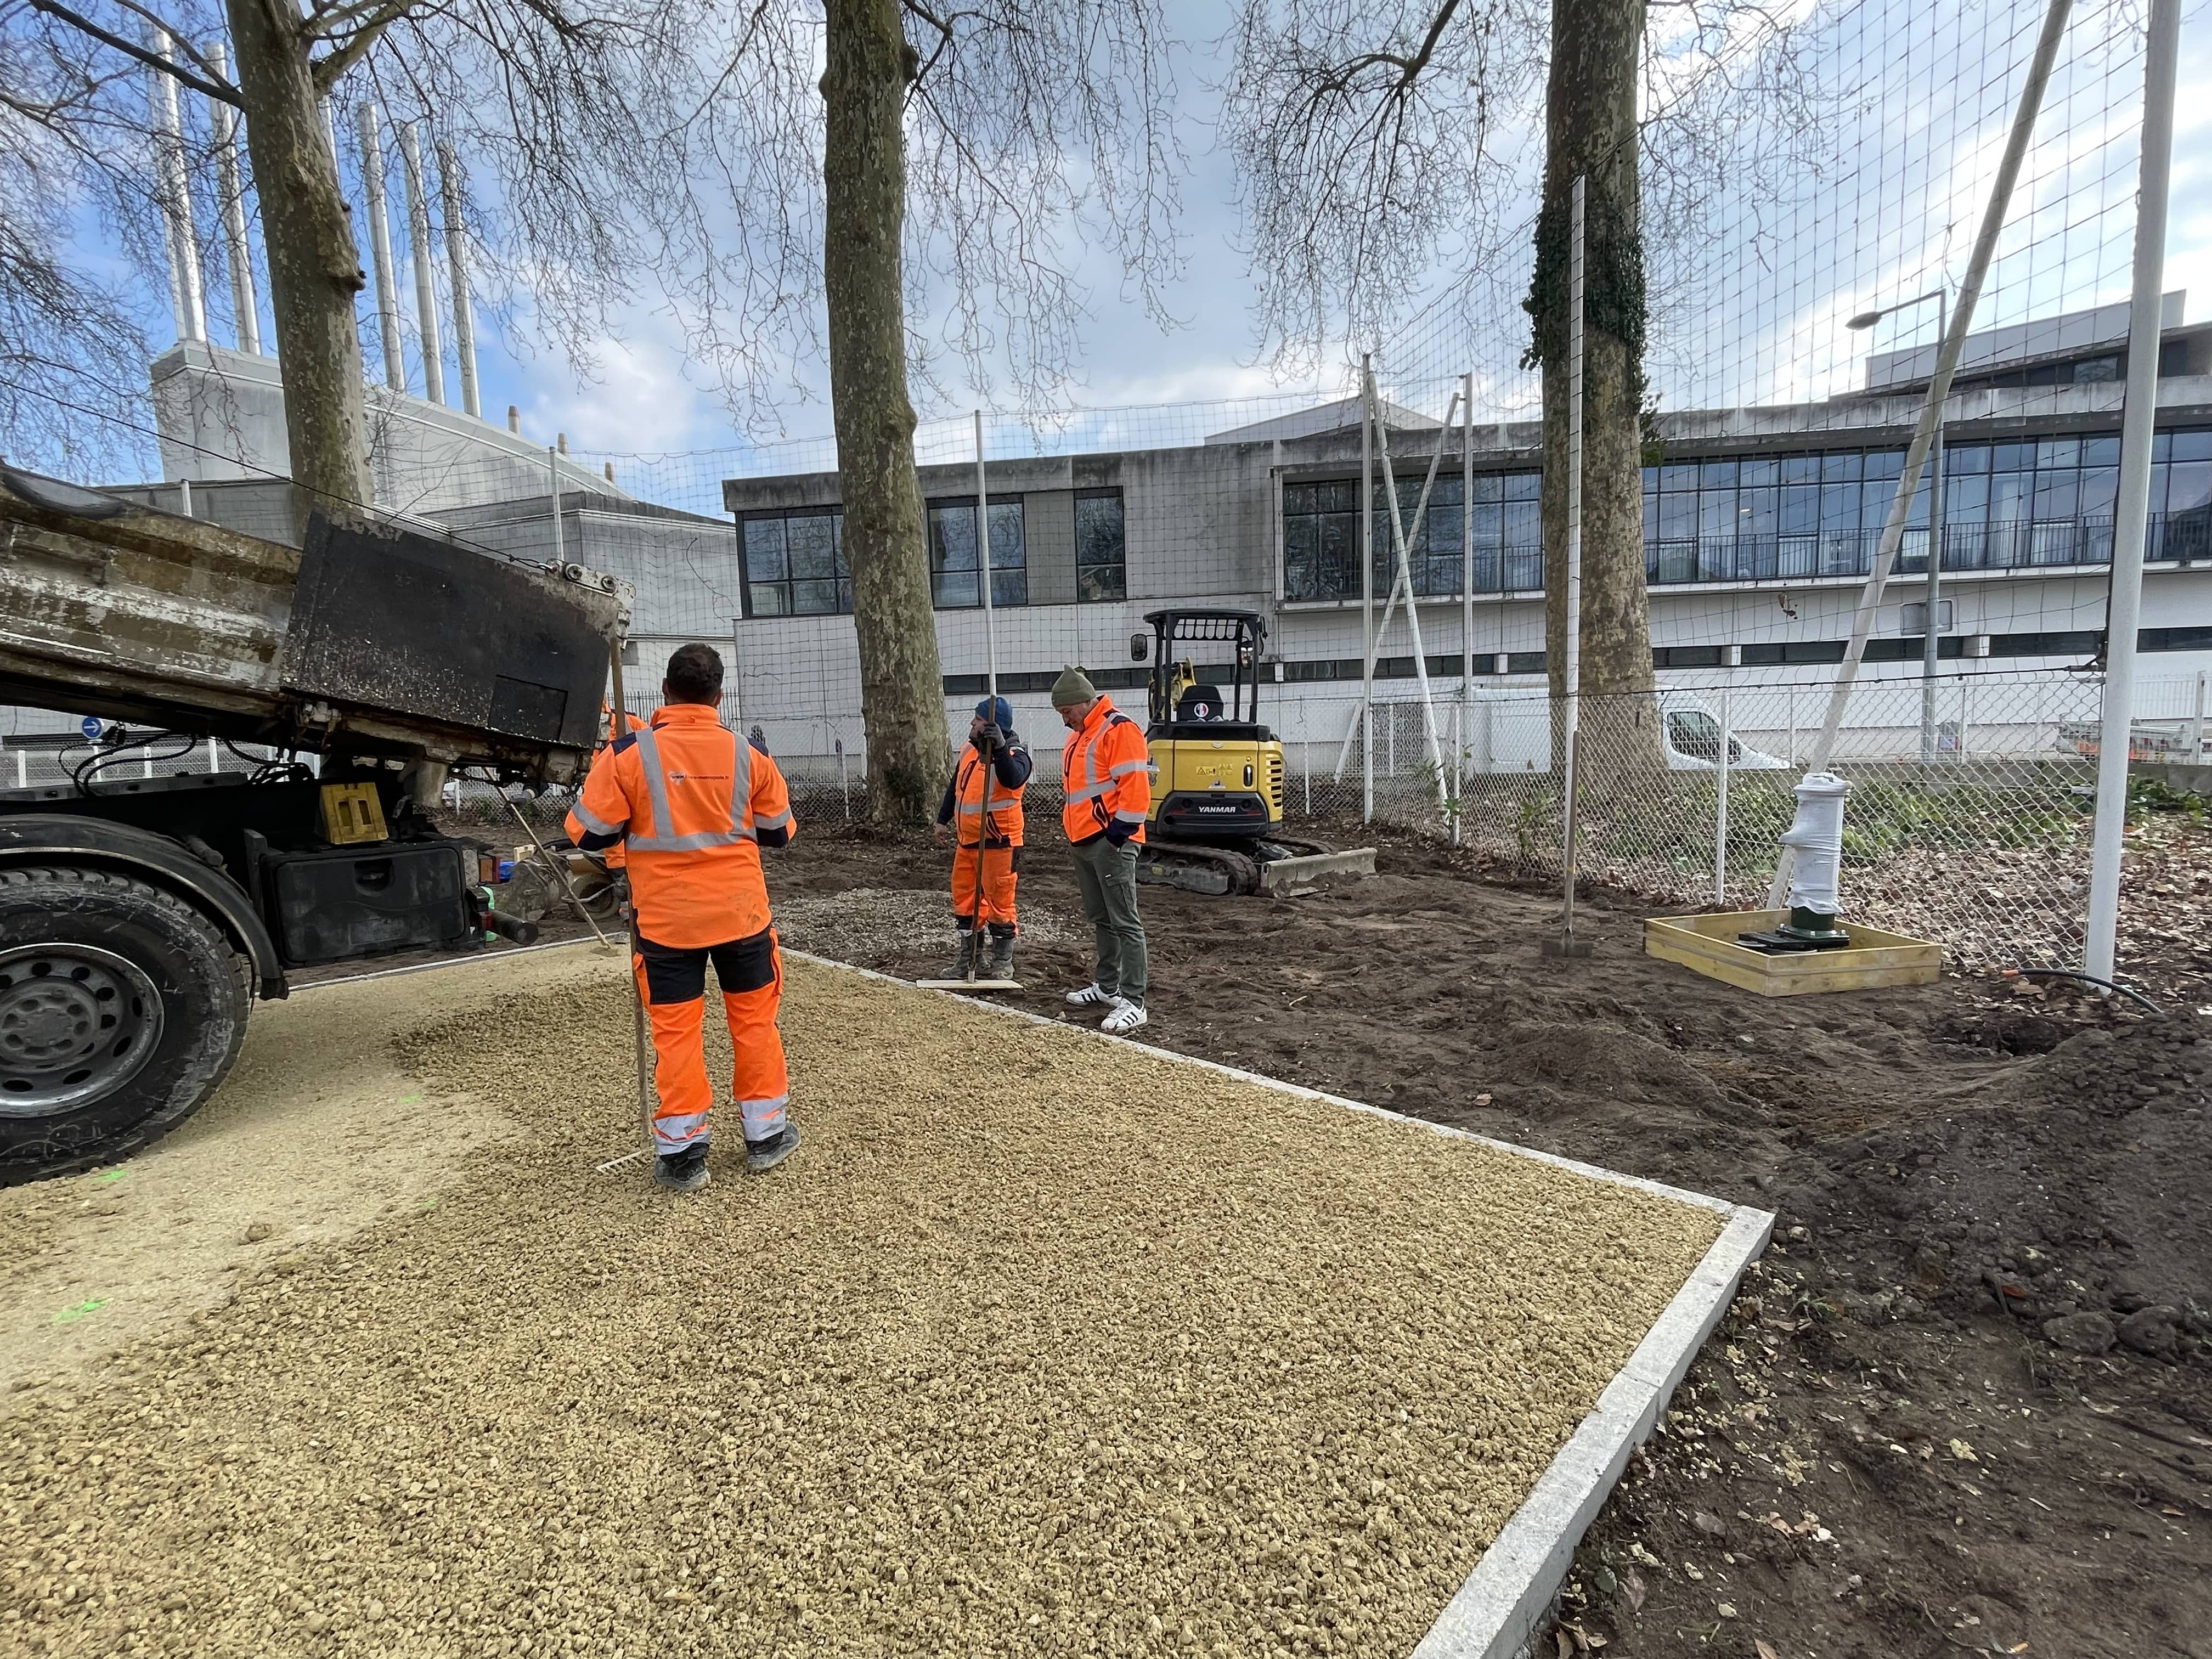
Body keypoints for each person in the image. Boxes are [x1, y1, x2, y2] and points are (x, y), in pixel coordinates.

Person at [565, 644, 799, 1194]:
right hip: (742, 917)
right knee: (755, 1025)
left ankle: (683, 1155)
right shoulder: (749, 755)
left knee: (677, 1036)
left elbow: (589, 835)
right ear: (719, 697)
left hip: (668, 925)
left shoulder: (627, 755)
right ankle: (766, 1136)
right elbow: (779, 833)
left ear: (666, 692)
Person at [1051, 665, 1152, 1034]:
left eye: (1067, 711)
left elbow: (1135, 788)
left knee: (1125, 921)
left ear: (1084, 701)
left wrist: (1116, 837)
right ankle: (1109, 987)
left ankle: (1135, 1001)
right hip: (1086, 840)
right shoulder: (1080, 735)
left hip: (1110, 841)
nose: (1065, 720)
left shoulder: (1117, 729)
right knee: (1103, 918)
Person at [932, 695, 1034, 979]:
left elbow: (1012, 779)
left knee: (1001, 903)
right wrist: (943, 820)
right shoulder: (969, 750)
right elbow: (955, 787)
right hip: (967, 842)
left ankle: (1003, 962)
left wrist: (999, 748)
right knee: (965, 901)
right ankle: (970, 958)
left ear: (992, 725)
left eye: (977, 720)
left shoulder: (1016, 755)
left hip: (999, 843)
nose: (972, 724)